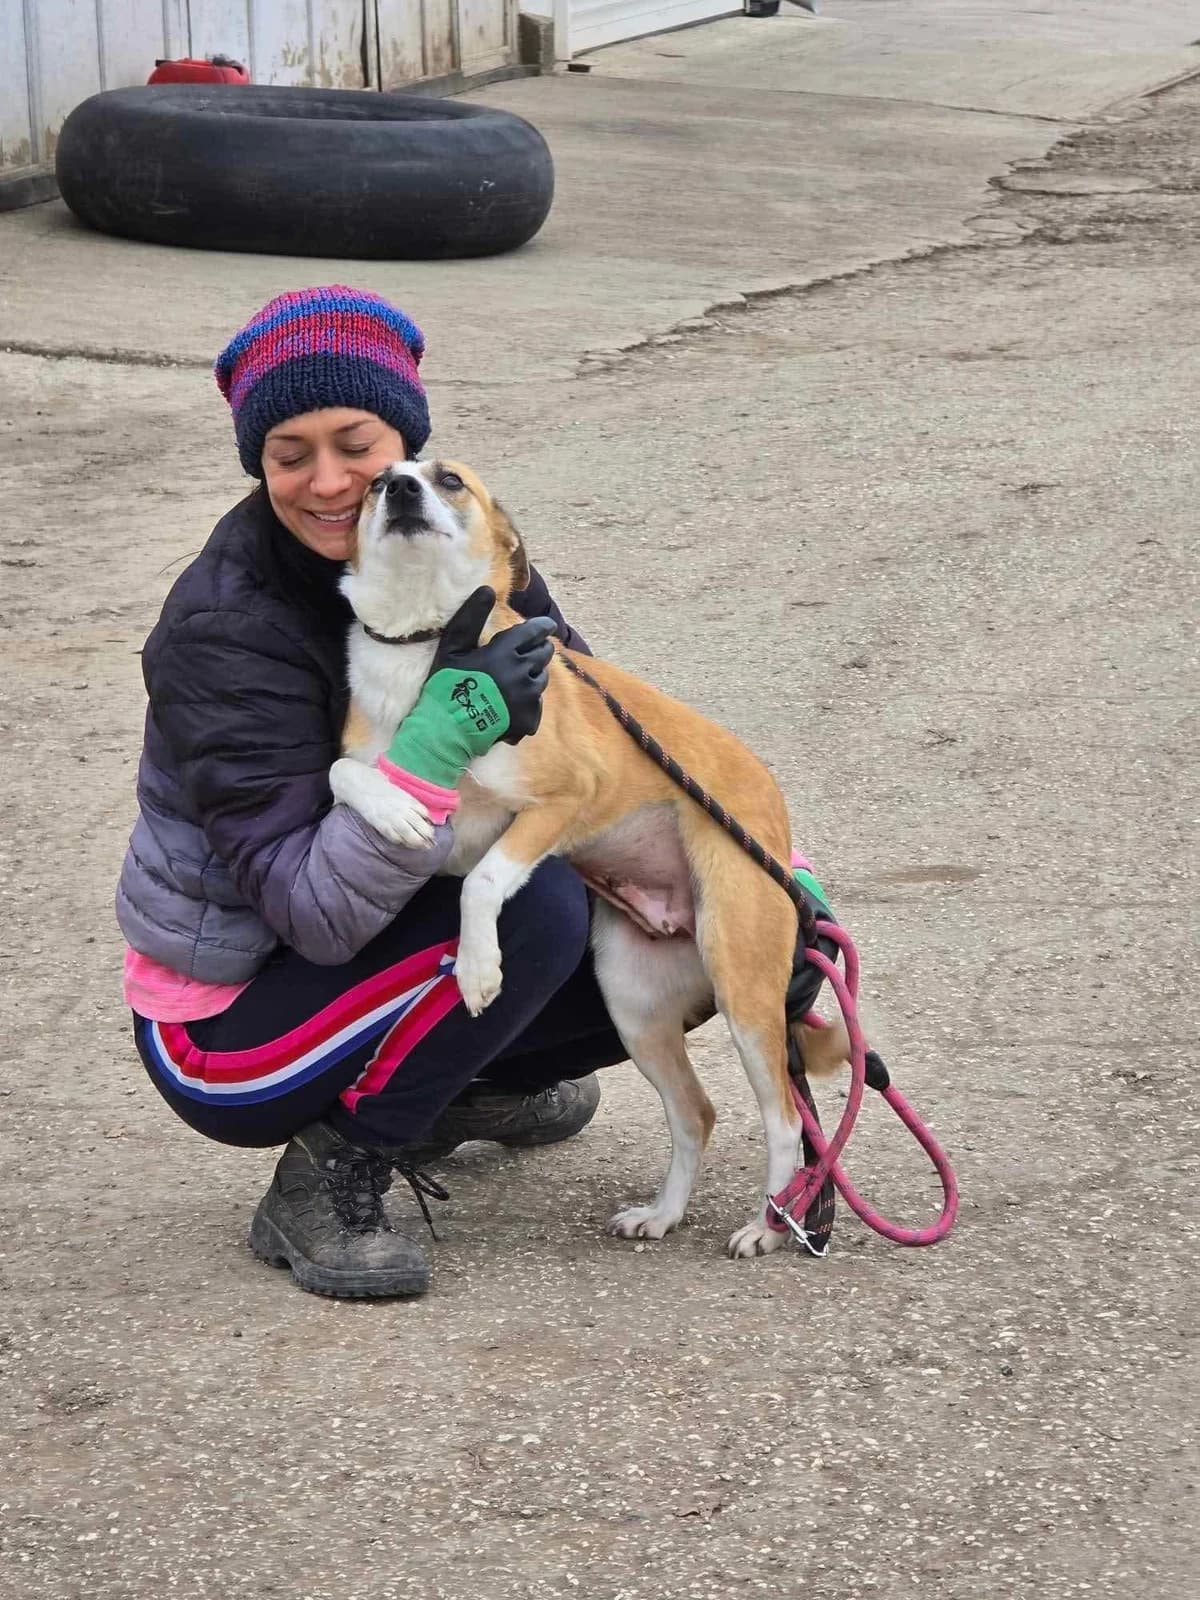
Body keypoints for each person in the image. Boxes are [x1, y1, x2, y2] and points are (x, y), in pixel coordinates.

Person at [117, 285, 629, 1301]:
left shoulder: (469, 549)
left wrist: (744, 862)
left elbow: (598, 741)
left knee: (695, 928)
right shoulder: (225, 630)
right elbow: (315, 914)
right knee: (534, 904)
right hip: (232, 1029)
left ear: (405, 443)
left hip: (383, 935)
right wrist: (436, 742)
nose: (328, 482)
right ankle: (331, 1172)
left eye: (356, 445)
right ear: (259, 466)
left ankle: (463, 1083)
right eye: (288, 456)